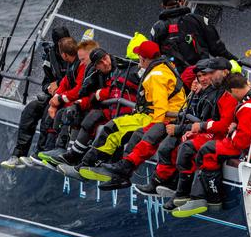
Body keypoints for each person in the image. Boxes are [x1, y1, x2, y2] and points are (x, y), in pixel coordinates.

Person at [172, 73, 251, 218]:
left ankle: (213, 201)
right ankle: (199, 196)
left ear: (235, 90)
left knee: (207, 151)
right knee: (211, 147)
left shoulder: (247, 107)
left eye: (230, 93)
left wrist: (232, 131)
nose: (231, 97)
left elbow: (240, 142)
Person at [78, 40, 186, 187]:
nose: (137, 60)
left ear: (144, 58)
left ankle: (92, 164)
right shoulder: (160, 68)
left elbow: (160, 109)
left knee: (116, 128)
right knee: (116, 127)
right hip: (155, 115)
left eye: (139, 56)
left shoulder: (156, 76)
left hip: (158, 118)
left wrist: (154, 129)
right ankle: (93, 164)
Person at [145, 58, 237, 212]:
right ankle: (174, 186)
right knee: (173, 145)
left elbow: (222, 125)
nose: (208, 77)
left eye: (212, 73)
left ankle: (185, 193)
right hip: (211, 130)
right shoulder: (214, 89)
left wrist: (200, 127)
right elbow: (188, 79)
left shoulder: (228, 94)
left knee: (187, 148)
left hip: (220, 135)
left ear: (225, 72)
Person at [0, 27, 71, 168]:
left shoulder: (74, 54)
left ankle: (40, 155)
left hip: (67, 98)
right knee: (30, 109)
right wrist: (49, 88)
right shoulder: (50, 56)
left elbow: (76, 80)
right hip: (54, 96)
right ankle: (18, 154)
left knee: (48, 114)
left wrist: (59, 86)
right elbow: (46, 83)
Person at [38, 39, 99, 162]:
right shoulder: (81, 66)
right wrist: (55, 99)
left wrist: (61, 99)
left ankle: (68, 153)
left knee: (71, 112)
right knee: (59, 113)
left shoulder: (92, 69)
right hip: (84, 102)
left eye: (82, 59)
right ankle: (52, 149)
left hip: (94, 105)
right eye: (80, 59)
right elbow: (66, 83)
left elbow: (81, 92)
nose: (81, 62)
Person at [150, 0, 236, 72]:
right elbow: (217, 49)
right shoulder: (199, 20)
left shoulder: (156, 28)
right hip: (200, 76)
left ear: (163, 5)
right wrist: (236, 60)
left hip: (172, 80)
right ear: (182, 0)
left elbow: (152, 57)